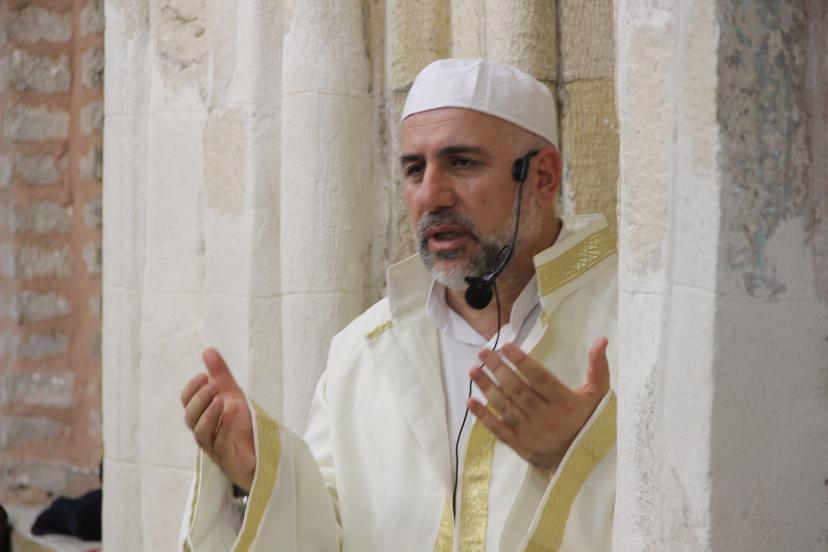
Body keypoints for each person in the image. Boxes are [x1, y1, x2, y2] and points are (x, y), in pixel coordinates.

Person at [179, 58, 617, 552]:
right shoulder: (363, 351)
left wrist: (578, 459)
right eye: (414, 169)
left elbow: (682, 515)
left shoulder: (629, 325)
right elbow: (328, 531)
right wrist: (260, 476)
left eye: (462, 162)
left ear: (542, 177)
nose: (431, 195)